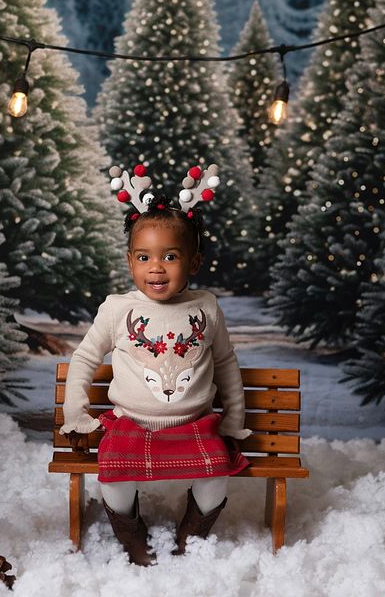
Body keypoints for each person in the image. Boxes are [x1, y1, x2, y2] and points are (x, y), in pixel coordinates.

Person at [60, 163, 251, 566]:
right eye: (144, 257)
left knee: (217, 475)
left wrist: (233, 419)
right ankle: (132, 535)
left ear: (194, 263)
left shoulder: (206, 307)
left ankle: (190, 536)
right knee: (113, 476)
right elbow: (84, 359)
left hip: (196, 423)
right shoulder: (117, 309)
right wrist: (75, 412)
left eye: (170, 256)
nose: (156, 267)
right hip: (131, 422)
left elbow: (226, 363)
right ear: (130, 262)